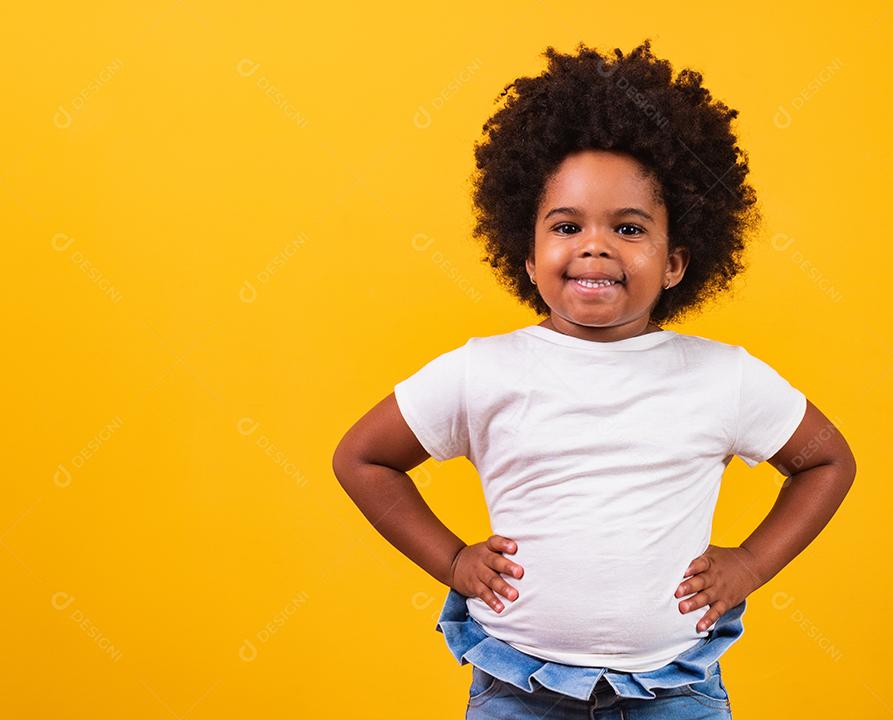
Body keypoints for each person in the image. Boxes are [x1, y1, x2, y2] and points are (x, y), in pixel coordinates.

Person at [332, 39, 857, 719]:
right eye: (567, 225)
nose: (595, 244)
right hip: (518, 690)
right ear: (526, 253)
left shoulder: (722, 377)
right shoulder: (483, 369)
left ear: (676, 263)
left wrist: (751, 564)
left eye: (630, 228)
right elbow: (363, 457)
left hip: (677, 690)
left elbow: (827, 463)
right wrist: (455, 561)